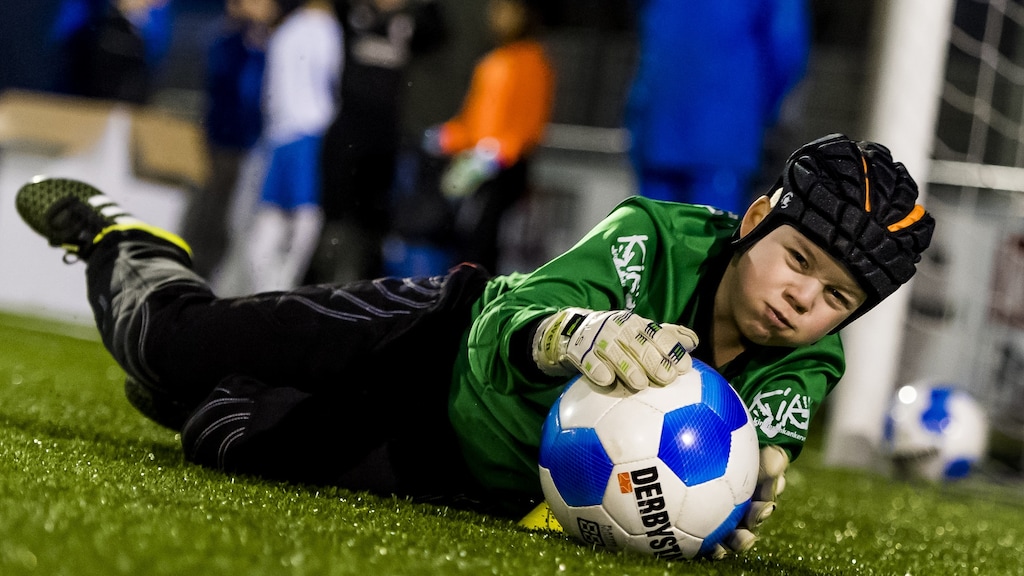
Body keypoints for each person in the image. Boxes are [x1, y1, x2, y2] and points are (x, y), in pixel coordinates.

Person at [14, 133, 934, 557]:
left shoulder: (809, 361)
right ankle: (127, 245)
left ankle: (206, 394)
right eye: (799, 260)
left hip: (462, 468)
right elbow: (512, 315)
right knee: (174, 348)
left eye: (836, 297)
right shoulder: (652, 236)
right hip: (429, 340)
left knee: (223, 438)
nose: (802, 301)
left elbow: (774, 431)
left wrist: (746, 487)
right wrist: (573, 331)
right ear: (760, 217)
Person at [308, 0, 448, 284]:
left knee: (372, 229)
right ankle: (317, 288)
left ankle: (360, 291)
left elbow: (439, 32)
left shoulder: (414, 21)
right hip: (345, 138)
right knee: (331, 225)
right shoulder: (354, 12)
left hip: (386, 143)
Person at [625, 0, 810, 215]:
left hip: (658, 127)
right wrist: (756, 113)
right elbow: (787, 51)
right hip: (723, 135)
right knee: (711, 237)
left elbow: (651, 36)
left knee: (651, 235)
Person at [419, 0, 555, 275]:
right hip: (476, 166)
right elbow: (473, 122)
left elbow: (529, 123)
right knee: (463, 240)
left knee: (485, 244)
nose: (496, 17)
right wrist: (448, 137)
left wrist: (497, 153)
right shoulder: (494, 60)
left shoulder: (532, 61)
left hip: (504, 170)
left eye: (506, 10)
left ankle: (481, 305)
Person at [242, 0, 343, 291]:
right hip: (297, 133)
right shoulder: (319, 28)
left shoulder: (294, 29)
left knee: (284, 212)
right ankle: (277, 286)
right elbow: (330, 77)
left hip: (287, 132)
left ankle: (273, 286)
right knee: (296, 213)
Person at [179, 0, 268, 279]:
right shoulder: (228, 40)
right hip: (223, 141)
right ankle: (191, 273)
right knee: (208, 213)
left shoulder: (268, 42)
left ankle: (207, 276)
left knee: (230, 219)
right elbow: (231, 86)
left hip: (251, 145)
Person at [51, 0, 174, 104]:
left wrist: (136, 13)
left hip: (131, 85)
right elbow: (63, 34)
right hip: (76, 83)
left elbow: (157, 49)